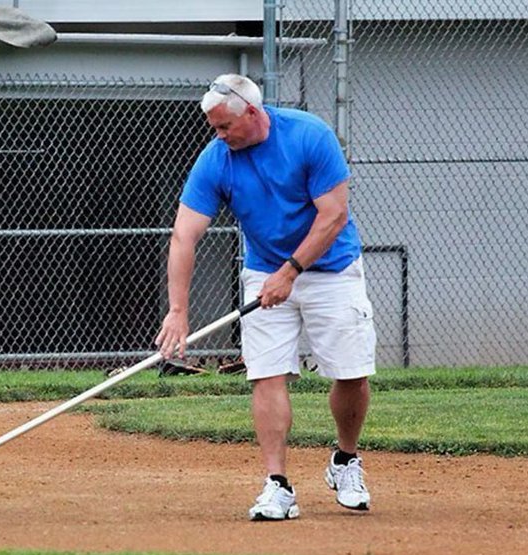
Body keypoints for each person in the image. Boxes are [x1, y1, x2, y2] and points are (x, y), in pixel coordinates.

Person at [155, 74, 377, 521]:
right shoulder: (216, 159)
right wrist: (178, 310)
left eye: (224, 127)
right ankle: (277, 485)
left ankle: (345, 460)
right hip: (263, 272)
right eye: (214, 128)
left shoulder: (310, 136)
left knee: (352, 375)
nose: (218, 137)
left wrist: (291, 272)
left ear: (252, 114)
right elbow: (184, 236)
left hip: (331, 269)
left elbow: (333, 216)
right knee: (267, 374)